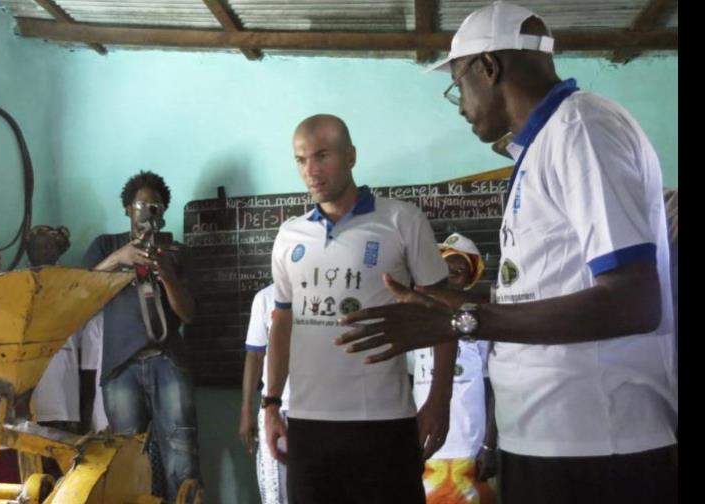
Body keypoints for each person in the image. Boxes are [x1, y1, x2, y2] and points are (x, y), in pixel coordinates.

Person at [338, 3, 677, 503]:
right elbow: (550, 291)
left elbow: (633, 300)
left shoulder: (581, 128)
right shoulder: (545, 143)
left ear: (489, 67)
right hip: (551, 441)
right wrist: (444, 306)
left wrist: (463, 323)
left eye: (458, 84)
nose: (459, 105)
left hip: (596, 446)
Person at [263, 114, 453, 503]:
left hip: (383, 421)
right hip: (308, 424)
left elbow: (443, 313)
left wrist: (439, 398)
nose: (310, 171)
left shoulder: (402, 220)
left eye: (322, 156)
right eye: (300, 160)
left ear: (350, 156)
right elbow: (282, 321)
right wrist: (270, 404)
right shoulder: (289, 236)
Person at [82, 170, 200, 499]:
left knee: (182, 455)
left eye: (155, 206)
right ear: (126, 208)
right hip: (121, 368)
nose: (148, 211)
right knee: (129, 458)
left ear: (163, 213)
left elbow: (188, 313)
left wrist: (166, 274)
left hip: (168, 363)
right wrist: (119, 258)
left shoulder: (176, 251)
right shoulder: (106, 245)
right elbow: (80, 292)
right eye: (141, 204)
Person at [406, 233, 495, 504]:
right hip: (425, 447)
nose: (451, 276)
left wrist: (490, 444)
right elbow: (407, 385)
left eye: (459, 272)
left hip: (470, 446)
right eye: (445, 269)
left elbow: (493, 389)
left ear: (470, 280)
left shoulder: (482, 325)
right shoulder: (415, 323)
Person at [26, 225, 89, 434]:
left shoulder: (72, 281)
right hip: (32, 368)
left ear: (58, 250)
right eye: (37, 247)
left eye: (48, 246)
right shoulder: (19, 282)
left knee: (66, 430)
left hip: (66, 364)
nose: (43, 252)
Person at [239, 283, 290, 504]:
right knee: (276, 494)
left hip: (317, 410)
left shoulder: (322, 294)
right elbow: (255, 356)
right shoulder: (265, 298)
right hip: (276, 410)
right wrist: (246, 411)